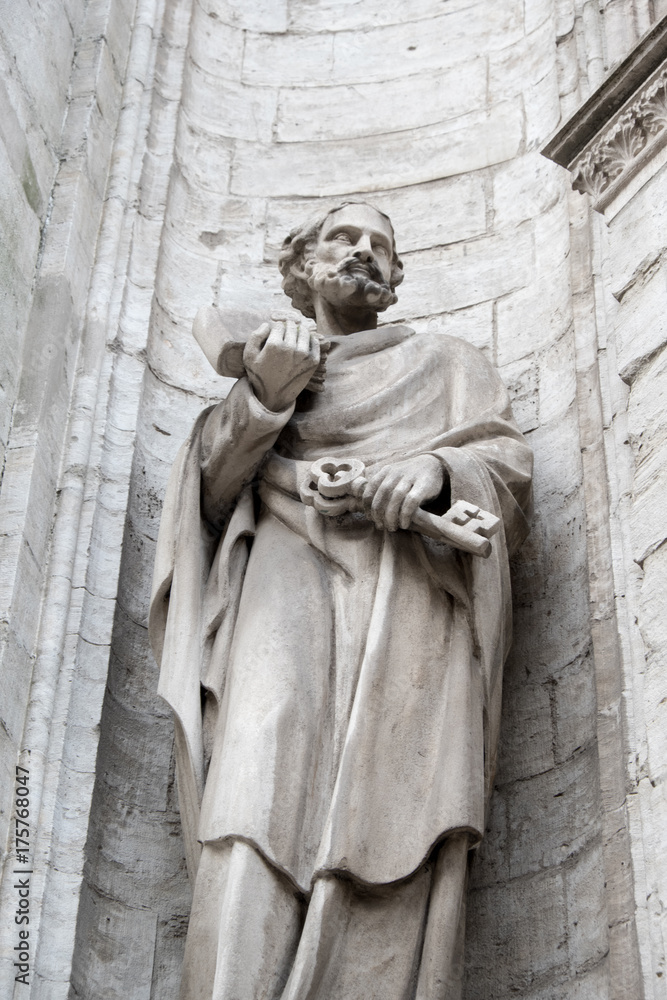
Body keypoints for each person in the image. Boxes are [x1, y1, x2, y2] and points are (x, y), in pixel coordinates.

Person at [149, 202, 533, 1000]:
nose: (364, 253)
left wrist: (431, 469)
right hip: (283, 584)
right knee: (252, 790)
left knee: (400, 805)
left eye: (381, 246)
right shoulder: (272, 366)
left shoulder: (446, 362)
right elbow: (211, 502)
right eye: (343, 238)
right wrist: (264, 400)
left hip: (408, 597)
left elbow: (503, 463)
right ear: (302, 267)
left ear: (394, 279)